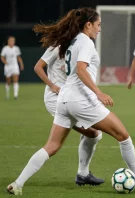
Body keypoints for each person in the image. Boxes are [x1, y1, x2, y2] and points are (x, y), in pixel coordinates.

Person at [6, 7, 135, 196]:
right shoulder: (85, 42)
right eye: (98, 25)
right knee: (123, 135)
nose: (99, 29)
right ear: (88, 24)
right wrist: (99, 93)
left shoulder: (72, 41)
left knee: (52, 146)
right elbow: (81, 70)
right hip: (80, 100)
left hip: (64, 99)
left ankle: (17, 183)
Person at [34, 46, 104, 186]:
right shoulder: (57, 46)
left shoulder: (77, 46)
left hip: (69, 99)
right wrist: (52, 86)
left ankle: (83, 174)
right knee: (92, 134)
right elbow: (38, 67)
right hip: (55, 99)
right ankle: (82, 174)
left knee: (93, 134)